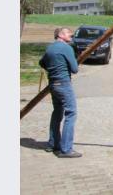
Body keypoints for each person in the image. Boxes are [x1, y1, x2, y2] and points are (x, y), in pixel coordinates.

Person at [39, 27, 81, 158]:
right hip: (63, 84)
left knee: (57, 113)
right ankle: (66, 149)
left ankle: (53, 144)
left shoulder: (50, 48)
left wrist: (53, 69)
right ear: (61, 35)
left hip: (53, 85)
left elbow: (42, 62)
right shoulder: (67, 48)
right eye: (69, 33)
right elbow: (75, 69)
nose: (72, 36)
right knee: (71, 113)